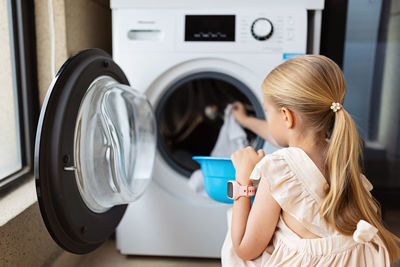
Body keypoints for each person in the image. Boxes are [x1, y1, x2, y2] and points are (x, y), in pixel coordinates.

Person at [222, 55, 400, 266]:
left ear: (286, 116)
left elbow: (245, 249)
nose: (267, 118)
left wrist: (243, 180)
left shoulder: (279, 167)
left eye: (267, 111)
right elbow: (279, 134)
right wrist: (245, 120)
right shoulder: (340, 151)